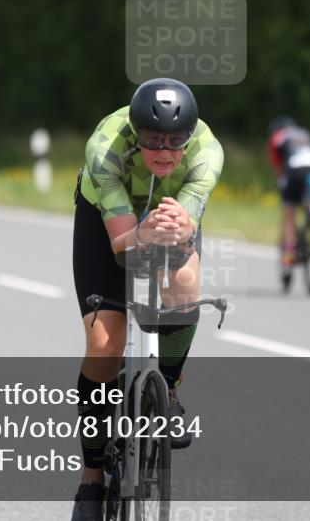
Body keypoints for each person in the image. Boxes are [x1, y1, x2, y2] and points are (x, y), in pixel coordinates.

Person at [70, 78, 224, 520]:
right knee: (104, 345)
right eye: (153, 139)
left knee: (184, 283)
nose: (164, 149)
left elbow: (187, 226)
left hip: (170, 213)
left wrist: (179, 227)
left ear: (190, 135)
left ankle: (168, 390)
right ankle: (92, 478)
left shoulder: (207, 152)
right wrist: (143, 232)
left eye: (175, 140)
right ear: (136, 133)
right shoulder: (106, 148)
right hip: (108, 220)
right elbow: (122, 246)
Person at [267, 116, 310, 276]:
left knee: (289, 214)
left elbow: (278, 166)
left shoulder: (277, 136)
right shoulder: (305, 133)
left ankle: (288, 255)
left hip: (295, 171)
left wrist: (281, 184)